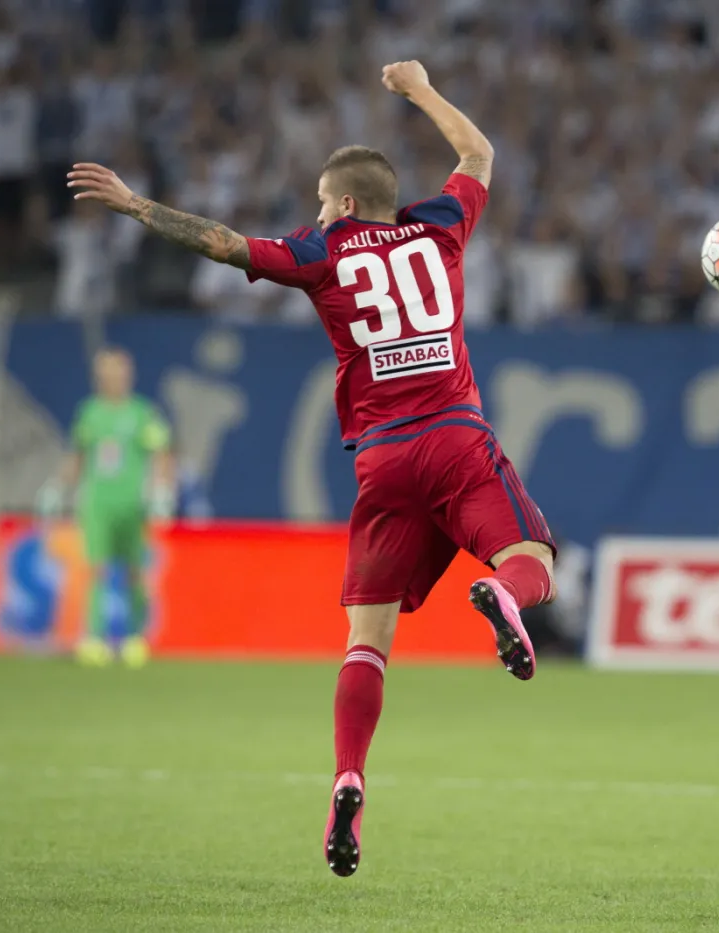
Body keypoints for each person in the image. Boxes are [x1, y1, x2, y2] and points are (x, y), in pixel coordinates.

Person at [68, 61, 557, 879]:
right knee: (532, 557)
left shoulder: (322, 250)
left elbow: (222, 245)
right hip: (455, 436)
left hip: (382, 462)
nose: (317, 211)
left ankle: (348, 775)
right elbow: (479, 155)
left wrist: (135, 206)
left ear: (349, 204)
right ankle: (505, 595)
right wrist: (420, 90)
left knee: (366, 642)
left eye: (324, 200)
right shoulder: (440, 226)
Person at [39, 346, 175, 669]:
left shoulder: (143, 413)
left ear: (128, 376)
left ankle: (133, 638)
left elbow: (161, 454)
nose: (113, 379)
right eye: (106, 374)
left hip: (132, 505)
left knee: (133, 572)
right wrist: (59, 487)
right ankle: (95, 639)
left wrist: (162, 491)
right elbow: (78, 455)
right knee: (97, 569)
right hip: (97, 502)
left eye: (118, 372)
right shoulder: (90, 412)